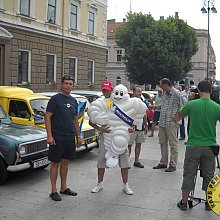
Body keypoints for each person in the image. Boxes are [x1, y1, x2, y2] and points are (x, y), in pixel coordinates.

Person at [173, 80, 220, 210]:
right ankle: (209, 203)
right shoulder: (217, 107)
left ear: (198, 91)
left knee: (189, 174)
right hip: (210, 146)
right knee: (209, 175)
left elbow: (178, 117)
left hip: (193, 145)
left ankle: (183, 202)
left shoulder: (192, 104)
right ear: (211, 91)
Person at [89, 81, 133, 195]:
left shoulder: (120, 100)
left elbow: (130, 117)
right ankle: (99, 183)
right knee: (101, 161)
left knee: (124, 161)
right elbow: (91, 121)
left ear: (111, 89)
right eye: (103, 89)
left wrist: (131, 128)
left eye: (107, 90)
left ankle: (125, 185)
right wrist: (100, 129)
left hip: (121, 135)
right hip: (106, 136)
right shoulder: (99, 103)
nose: (105, 92)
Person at [45, 75, 81, 201]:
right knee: (55, 163)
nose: (68, 86)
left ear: (73, 85)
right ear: (62, 84)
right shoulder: (55, 99)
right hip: (57, 137)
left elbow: (75, 120)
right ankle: (53, 190)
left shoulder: (73, 101)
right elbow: (47, 117)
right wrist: (49, 135)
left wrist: (79, 136)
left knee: (65, 163)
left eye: (70, 84)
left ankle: (63, 187)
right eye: (66, 83)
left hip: (69, 137)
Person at [153, 78, 185, 172]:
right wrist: (154, 107)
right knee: (163, 143)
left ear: (166, 84)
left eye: (160, 84)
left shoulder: (176, 93)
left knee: (173, 144)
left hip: (171, 123)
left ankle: (173, 164)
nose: (160, 86)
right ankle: (163, 162)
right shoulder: (164, 94)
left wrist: (178, 117)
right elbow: (163, 106)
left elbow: (183, 106)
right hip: (162, 122)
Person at [128, 85, 148, 168]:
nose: (140, 93)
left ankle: (136, 161)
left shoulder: (142, 101)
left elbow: (145, 113)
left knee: (139, 144)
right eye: (138, 91)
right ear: (134, 92)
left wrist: (145, 125)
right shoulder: (130, 101)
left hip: (140, 126)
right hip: (131, 126)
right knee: (129, 145)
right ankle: (126, 161)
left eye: (141, 91)